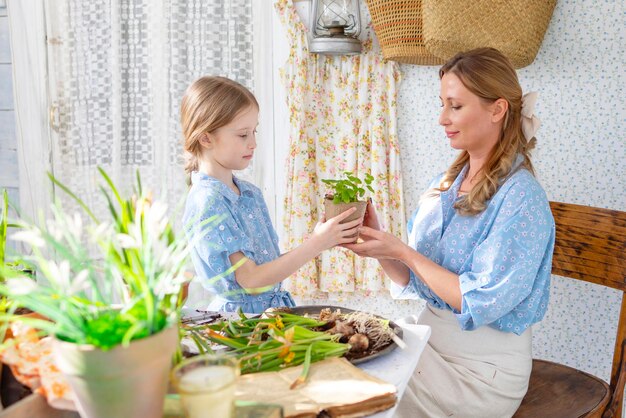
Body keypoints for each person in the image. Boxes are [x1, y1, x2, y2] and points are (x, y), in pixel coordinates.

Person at [344, 48, 556, 418]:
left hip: (479, 372)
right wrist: (384, 247)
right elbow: (418, 279)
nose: (442, 118)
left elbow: (477, 301)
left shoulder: (522, 199)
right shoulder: (447, 183)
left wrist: (404, 252)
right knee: (339, 358)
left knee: (355, 393)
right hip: (429, 343)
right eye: (442, 104)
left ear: (497, 109)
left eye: (455, 106)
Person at [181, 76, 360, 314]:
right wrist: (315, 244)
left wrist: (321, 240)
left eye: (254, 132)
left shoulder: (249, 194)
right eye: (243, 134)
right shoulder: (209, 201)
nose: (253, 143)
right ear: (206, 138)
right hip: (243, 325)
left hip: (269, 316)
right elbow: (251, 281)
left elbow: (265, 270)